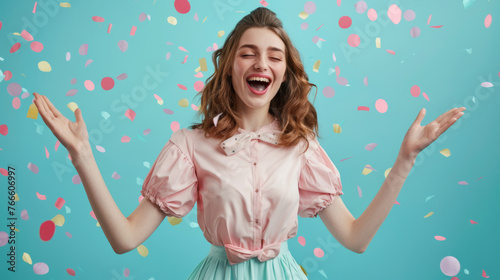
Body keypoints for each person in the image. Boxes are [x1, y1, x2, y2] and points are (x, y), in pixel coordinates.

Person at [32, 7, 466, 280]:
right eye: (248, 53)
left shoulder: (302, 147)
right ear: (230, 66)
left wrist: (405, 160)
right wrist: (82, 155)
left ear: (283, 74)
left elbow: (355, 239)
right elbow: (125, 239)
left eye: (274, 55)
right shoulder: (190, 145)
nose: (262, 63)